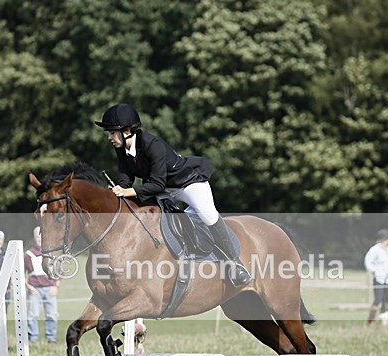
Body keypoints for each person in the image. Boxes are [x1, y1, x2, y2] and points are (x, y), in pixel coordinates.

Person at [94, 103, 252, 287]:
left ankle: (235, 264)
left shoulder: (152, 145)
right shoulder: (121, 147)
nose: (109, 137)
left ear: (127, 131)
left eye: (112, 132)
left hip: (187, 184)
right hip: (162, 189)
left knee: (208, 214)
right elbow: (125, 176)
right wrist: (119, 188)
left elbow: (157, 183)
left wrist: (127, 191)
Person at [25, 226, 59, 343]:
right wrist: (28, 286)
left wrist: (56, 286)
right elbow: (20, 272)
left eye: (42, 236)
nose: (40, 239)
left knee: (52, 315)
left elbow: (59, 271)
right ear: (34, 238)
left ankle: (51, 338)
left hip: (50, 289)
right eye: (37, 236)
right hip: (35, 290)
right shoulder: (28, 255)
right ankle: (32, 338)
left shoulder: (52, 252)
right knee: (32, 315)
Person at [364, 229, 388, 325]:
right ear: (383, 239)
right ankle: (370, 321)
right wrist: (375, 270)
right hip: (379, 278)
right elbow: (368, 262)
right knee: (378, 300)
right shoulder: (375, 250)